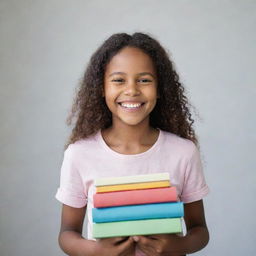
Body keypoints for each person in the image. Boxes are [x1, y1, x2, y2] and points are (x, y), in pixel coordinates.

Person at [55, 32, 210, 256]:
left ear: (159, 89)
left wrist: (178, 246)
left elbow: (200, 229)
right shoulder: (79, 154)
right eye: (118, 80)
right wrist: (97, 251)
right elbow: (67, 233)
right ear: (101, 88)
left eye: (144, 80)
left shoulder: (183, 152)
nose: (132, 90)